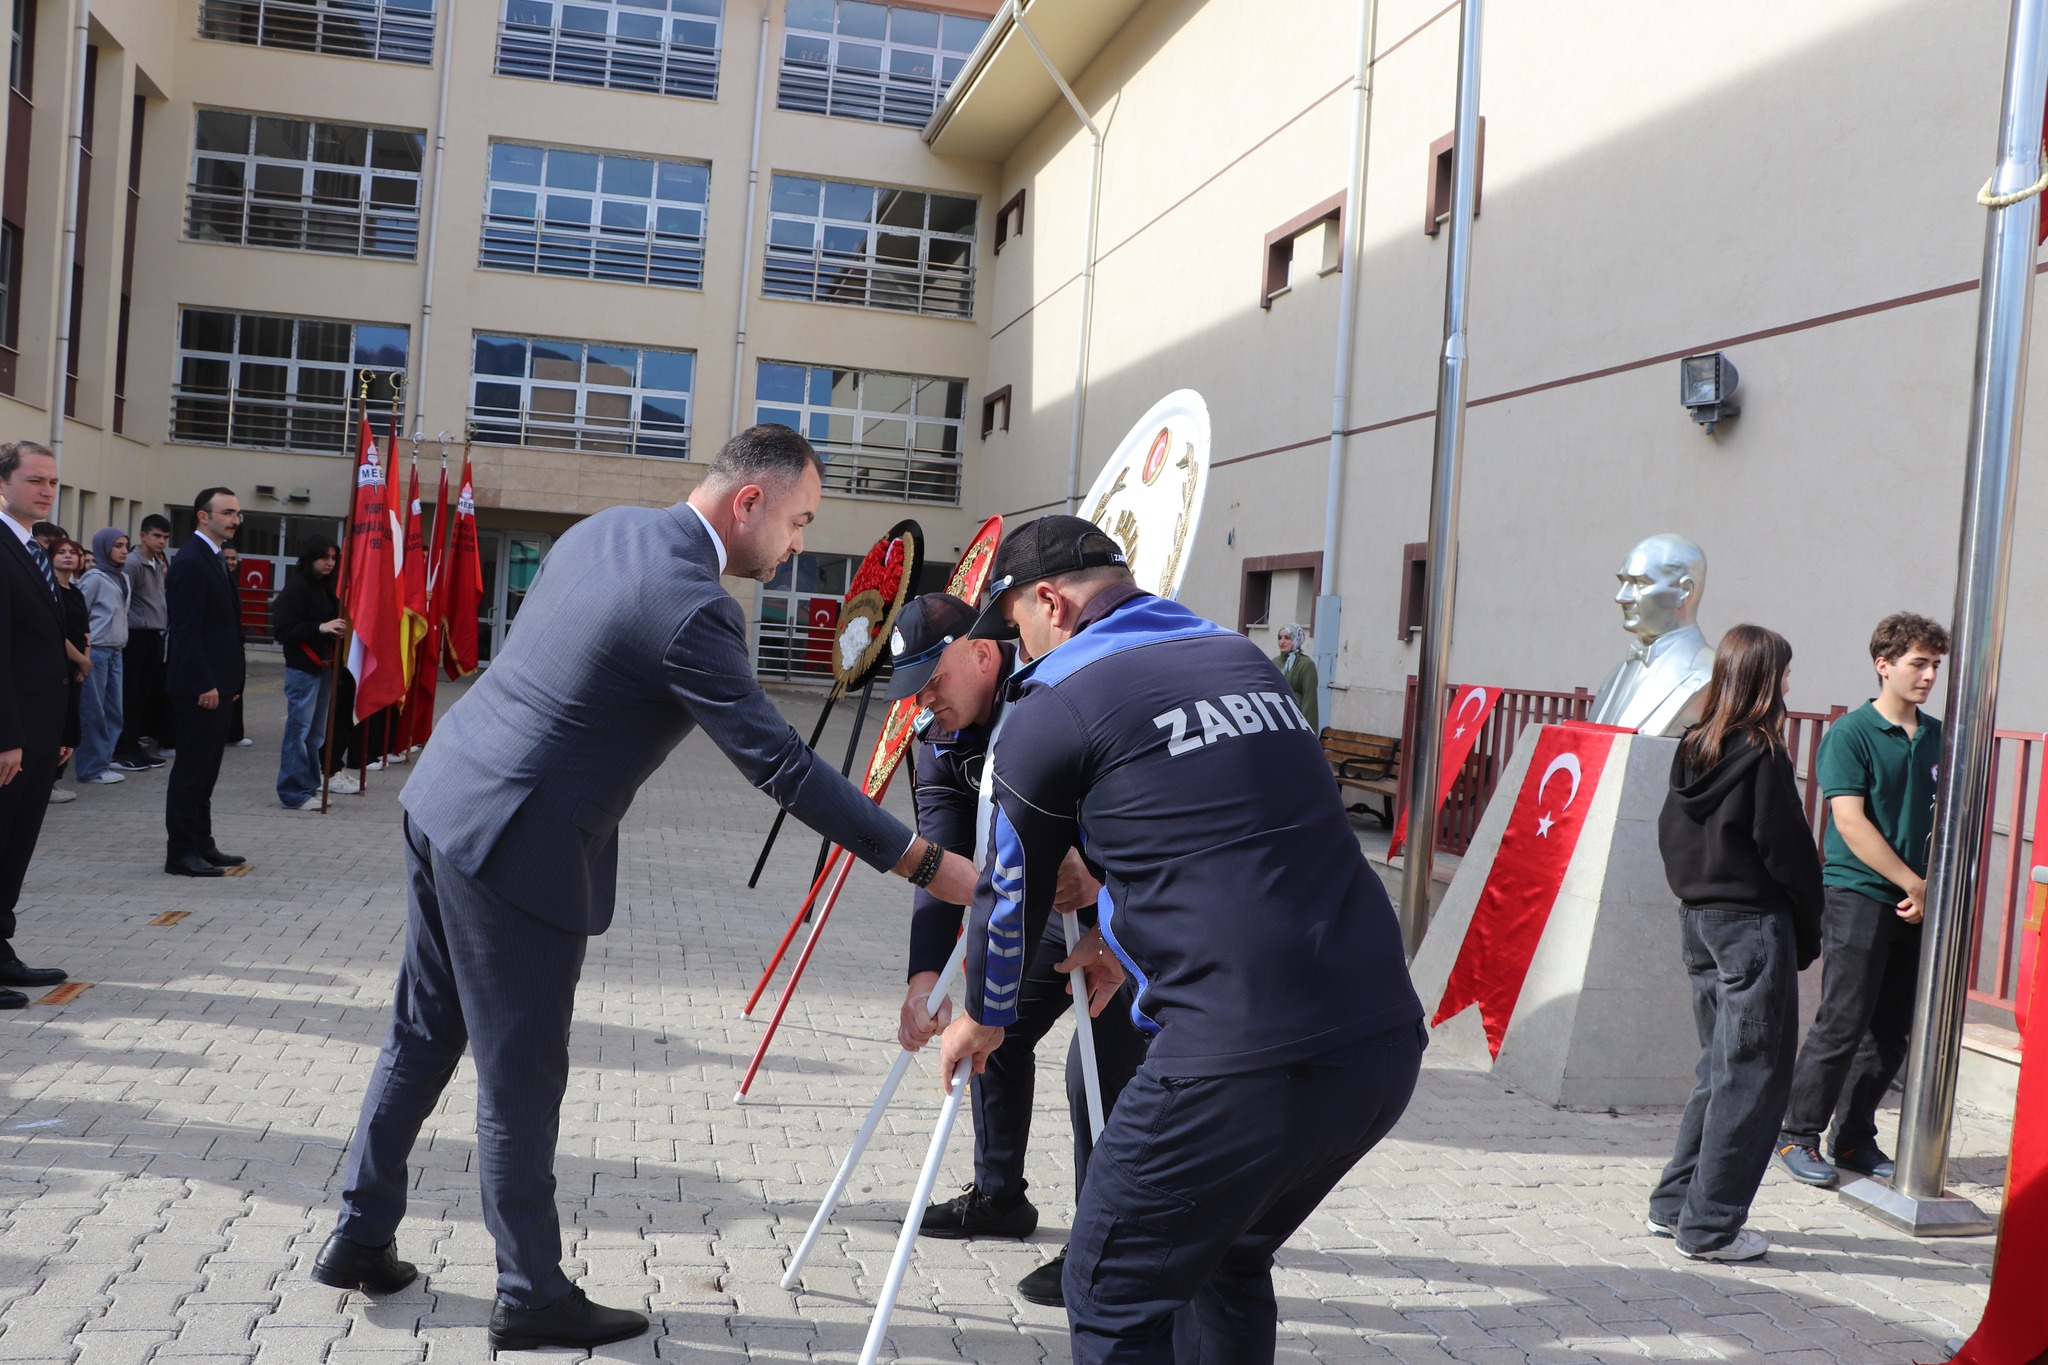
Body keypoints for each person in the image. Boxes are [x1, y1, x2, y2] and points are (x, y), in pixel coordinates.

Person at [314, 425, 978, 1353]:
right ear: (749, 502)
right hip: (516, 847)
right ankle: (530, 1292)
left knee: (421, 1035)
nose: (795, 549)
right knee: (521, 1078)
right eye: (797, 523)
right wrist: (923, 859)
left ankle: (358, 1232)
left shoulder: (607, 528)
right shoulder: (693, 606)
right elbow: (780, 764)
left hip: (445, 800)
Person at [937, 515, 1424, 1364]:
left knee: (1110, 1283)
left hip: (1232, 1055)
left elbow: (1007, 888)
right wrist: (1120, 940)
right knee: (1224, 1257)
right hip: (1380, 1041)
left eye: (1016, 626)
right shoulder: (1239, 659)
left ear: (1049, 600)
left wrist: (984, 1014)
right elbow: (1230, 844)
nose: (1019, 650)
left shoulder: (1051, 701)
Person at [887, 592, 1147, 1307]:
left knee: (1095, 1067)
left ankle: (1103, 1247)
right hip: (1034, 913)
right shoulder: (938, 740)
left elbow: (1146, 804)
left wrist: (1098, 879)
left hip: (1130, 913)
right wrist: (923, 982)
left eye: (932, 682)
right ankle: (1001, 1196)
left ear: (981, 652)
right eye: (911, 689)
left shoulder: (1062, 694)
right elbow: (937, 863)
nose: (923, 701)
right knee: (989, 1026)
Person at [1650, 625, 1823, 1263]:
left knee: (1719, 1070)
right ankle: (1711, 1228)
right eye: (1781, 673)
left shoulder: (1693, 746)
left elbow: (1670, 834)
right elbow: (1789, 852)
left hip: (1699, 919)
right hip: (1751, 925)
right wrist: (1809, 928)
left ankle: (1674, 1208)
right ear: (1760, 679)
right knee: (1751, 1078)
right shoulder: (1764, 750)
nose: (1786, 685)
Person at [1777, 612, 1949, 1188]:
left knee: (1892, 1030)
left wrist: (1929, 889)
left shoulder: (1937, 735)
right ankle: (1797, 1136)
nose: (1928, 675)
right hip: (1861, 894)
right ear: (1884, 665)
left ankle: (1852, 1139)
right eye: (1917, 663)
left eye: (1934, 665)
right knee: (1843, 1021)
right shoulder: (1850, 735)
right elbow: (1849, 822)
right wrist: (1911, 882)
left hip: (1918, 898)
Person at [0, 442, 75, 1005]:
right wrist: (8, 737)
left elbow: (47, 647)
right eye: (35, 480)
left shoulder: (31, 547)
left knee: (16, 846)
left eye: (52, 481)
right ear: (4, 482)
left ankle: (1, 951)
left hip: (40, 732)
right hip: (11, 736)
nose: (47, 490)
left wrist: (63, 732)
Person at [163, 489, 247, 878]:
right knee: (191, 771)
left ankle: (202, 842)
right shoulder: (191, 561)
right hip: (199, 688)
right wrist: (204, 684)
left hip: (218, 684)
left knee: (207, 771)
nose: (234, 519)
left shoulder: (213, 557)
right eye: (227, 512)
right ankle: (180, 851)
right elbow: (185, 630)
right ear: (202, 515)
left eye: (237, 513)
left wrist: (230, 681)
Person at [270, 540, 345, 811]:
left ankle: (309, 786)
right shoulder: (296, 589)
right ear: (309, 558)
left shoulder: (325, 588)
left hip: (323, 668)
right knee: (298, 732)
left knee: (315, 735)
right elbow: (283, 629)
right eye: (324, 557)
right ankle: (293, 793)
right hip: (303, 669)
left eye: (334, 558)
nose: (329, 562)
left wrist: (333, 629)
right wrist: (321, 627)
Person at [77, 529, 133, 784]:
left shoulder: (123, 578)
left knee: (114, 711)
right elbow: (80, 616)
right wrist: (84, 653)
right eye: (117, 545)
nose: (123, 550)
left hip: (117, 650)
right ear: (103, 547)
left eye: (126, 545)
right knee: (94, 711)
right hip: (97, 650)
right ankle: (91, 768)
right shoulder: (94, 577)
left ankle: (103, 760)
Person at [117, 513, 172, 768]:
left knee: (143, 696)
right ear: (142, 536)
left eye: (165, 537)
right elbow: (123, 601)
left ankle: (134, 745)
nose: (161, 541)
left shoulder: (157, 562)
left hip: (154, 634)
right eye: (156, 536)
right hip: (136, 635)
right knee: (131, 694)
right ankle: (123, 748)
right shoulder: (133, 563)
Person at [48, 539, 90, 802]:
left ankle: (55, 779)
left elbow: (85, 631)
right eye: (61, 552)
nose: (67, 557)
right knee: (54, 722)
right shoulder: (49, 590)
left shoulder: (75, 591)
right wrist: (81, 661)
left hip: (78, 665)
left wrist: (86, 659)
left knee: (70, 722)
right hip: (60, 664)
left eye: (72, 553)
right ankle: (46, 783)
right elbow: (56, 633)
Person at [220, 546, 251, 748]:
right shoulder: (218, 579)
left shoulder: (231, 580)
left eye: (234, 558)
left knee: (237, 687)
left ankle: (234, 733)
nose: (231, 562)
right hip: (221, 642)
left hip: (234, 639)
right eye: (227, 558)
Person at [1272, 622, 1317, 731]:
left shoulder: (1306, 664)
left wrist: (1309, 732)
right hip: (1275, 719)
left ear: (1297, 640)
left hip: (1296, 720)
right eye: (1280, 638)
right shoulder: (1274, 663)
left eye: (1287, 638)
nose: (1282, 642)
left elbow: (1309, 700)